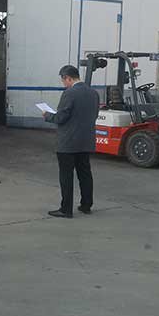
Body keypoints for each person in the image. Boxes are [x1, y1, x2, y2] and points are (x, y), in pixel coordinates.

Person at [43, 65, 100, 219]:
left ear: (67, 78)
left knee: (66, 176)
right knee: (85, 174)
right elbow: (94, 115)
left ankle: (66, 209)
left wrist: (47, 115)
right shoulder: (94, 93)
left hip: (68, 143)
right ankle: (86, 205)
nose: (64, 84)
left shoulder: (69, 93)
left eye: (63, 81)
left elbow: (61, 117)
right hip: (86, 140)